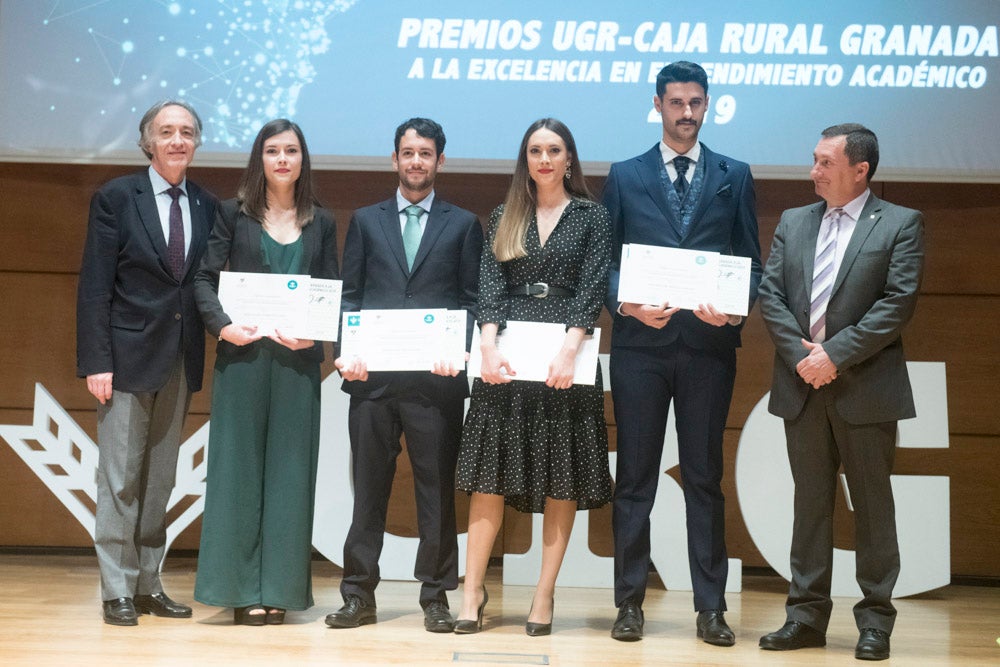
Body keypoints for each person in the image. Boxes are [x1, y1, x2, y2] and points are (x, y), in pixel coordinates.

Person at [603, 61, 762, 645]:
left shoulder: (734, 174)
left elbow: (751, 263)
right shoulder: (625, 174)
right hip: (641, 348)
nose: (687, 113)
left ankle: (711, 608)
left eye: (697, 102)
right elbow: (607, 265)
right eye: (677, 103)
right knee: (636, 479)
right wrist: (628, 304)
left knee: (704, 477)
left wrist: (735, 305)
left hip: (707, 348)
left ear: (708, 104)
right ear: (658, 105)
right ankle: (629, 603)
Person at [757, 124, 924, 662]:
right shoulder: (793, 222)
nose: (814, 172)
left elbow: (896, 305)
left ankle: (875, 620)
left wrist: (835, 354)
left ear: (860, 170)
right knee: (810, 506)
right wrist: (806, 358)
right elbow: (772, 294)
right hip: (803, 384)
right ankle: (805, 617)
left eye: (825, 162)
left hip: (865, 386)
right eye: (814, 160)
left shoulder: (900, 223)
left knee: (873, 507)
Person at [453, 118, 613, 636]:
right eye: (535, 151)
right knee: (488, 477)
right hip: (507, 360)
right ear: (525, 159)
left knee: (561, 478)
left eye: (554, 150)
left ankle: (543, 596)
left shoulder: (591, 216)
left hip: (566, 359)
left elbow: (591, 290)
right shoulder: (505, 214)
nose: (544, 159)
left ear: (570, 159)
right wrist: (486, 348)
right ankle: (472, 590)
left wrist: (570, 351)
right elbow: (490, 288)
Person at [325, 118, 483, 634]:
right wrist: (345, 353)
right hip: (372, 381)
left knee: (436, 491)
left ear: (441, 161)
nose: (416, 162)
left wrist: (457, 353)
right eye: (408, 153)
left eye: (426, 153)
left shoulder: (462, 224)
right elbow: (350, 296)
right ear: (394, 159)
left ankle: (436, 596)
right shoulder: (367, 221)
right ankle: (358, 595)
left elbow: (469, 302)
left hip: (435, 383)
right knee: (368, 488)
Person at [192, 119, 338, 625]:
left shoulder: (323, 221)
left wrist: (316, 334)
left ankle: (278, 589)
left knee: (291, 476)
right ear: (259, 159)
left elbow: (330, 292)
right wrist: (224, 326)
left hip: (297, 365)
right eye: (272, 150)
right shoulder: (233, 214)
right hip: (243, 360)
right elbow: (204, 281)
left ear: (303, 160)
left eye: (291, 150)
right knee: (237, 473)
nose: (282, 159)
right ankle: (237, 589)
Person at [76, 100, 217, 626]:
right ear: (147, 142)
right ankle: (116, 589)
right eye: (166, 132)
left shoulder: (205, 204)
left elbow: (205, 283)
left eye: (186, 132)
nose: (177, 140)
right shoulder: (116, 197)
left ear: (197, 142)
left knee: (159, 480)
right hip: (124, 360)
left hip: (180, 359)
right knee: (120, 480)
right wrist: (96, 360)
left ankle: (147, 583)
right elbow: (95, 285)